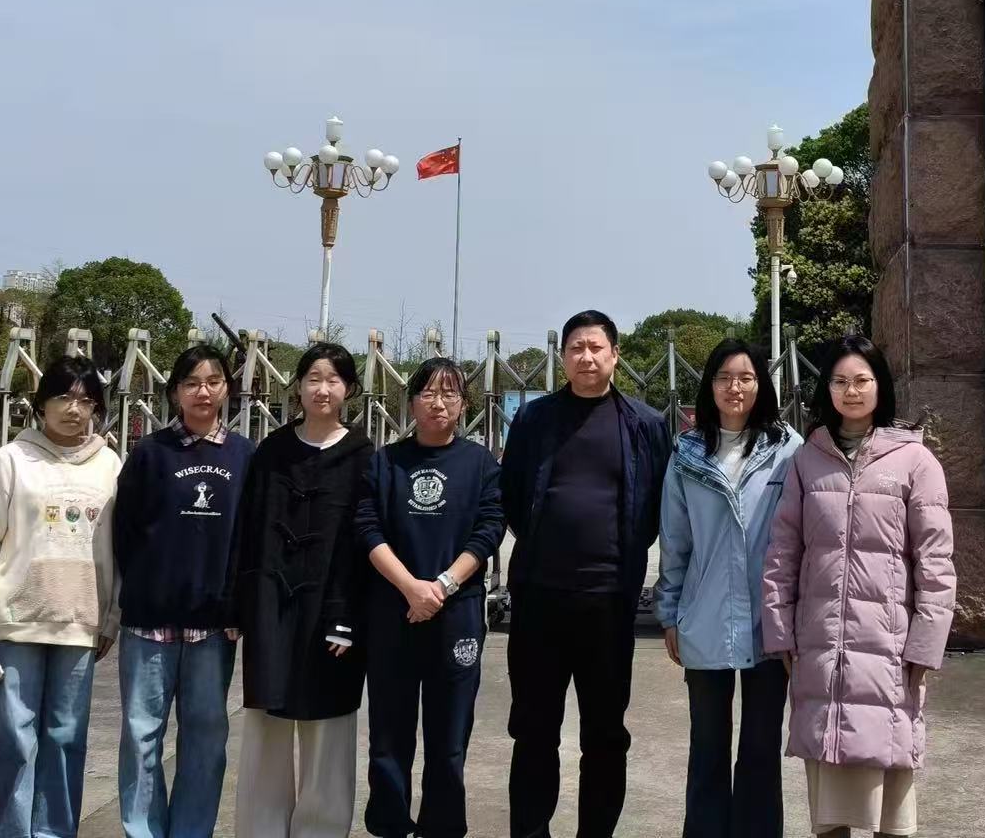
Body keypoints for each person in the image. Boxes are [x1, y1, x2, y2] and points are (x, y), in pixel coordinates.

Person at [760, 335, 956, 838]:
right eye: (841, 381)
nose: (852, 391)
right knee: (829, 809)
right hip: (821, 649)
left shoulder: (915, 461)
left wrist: (925, 645)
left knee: (891, 802)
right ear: (826, 389)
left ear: (880, 386)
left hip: (888, 652)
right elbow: (783, 553)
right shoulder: (807, 460)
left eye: (862, 380)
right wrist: (780, 632)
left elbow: (936, 562)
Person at [500, 309, 673, 838]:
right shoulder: (533, 420)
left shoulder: (645, 424)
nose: (586, 357)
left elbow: (657, 504)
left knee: (604, 734)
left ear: (616, 355)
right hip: (539, 600)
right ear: (563, 358)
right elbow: (512, 495)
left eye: (597, 347)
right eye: (576, 347)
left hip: (609, 602)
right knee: (534, 730)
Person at [0, 355, 122, 838]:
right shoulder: (11, 461)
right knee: (13, 737)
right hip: (17, 622)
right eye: (63, 398)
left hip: (80, 622)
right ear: (41, 404)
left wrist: (110, 617)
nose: (74, 409)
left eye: (86, 401)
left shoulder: (110, 465)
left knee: (66, 738)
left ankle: (54, 831)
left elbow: (118, 550)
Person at [655, 339, 802, 838]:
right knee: (707, 746)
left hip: (770, 622)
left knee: (761, 748)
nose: (734, 387)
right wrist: (669, 613)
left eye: (745, 377)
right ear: (709, 385)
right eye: (723, 377)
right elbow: (675, 540)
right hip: (705, 617)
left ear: (762, 384)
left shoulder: (787, 449)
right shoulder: (687, 453)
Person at [230, 341, 374, 838]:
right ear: (298, 387)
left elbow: (366, 545)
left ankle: (322, 829)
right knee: (266, 728)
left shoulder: (364, 457)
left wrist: (349, 616)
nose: (322, 389)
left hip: (334, 615)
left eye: (333, 379)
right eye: (313, 378)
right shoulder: (271, 452)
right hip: (271, 607)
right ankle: (261, 828)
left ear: (349, 389)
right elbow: (247, 532)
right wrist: (239, 606)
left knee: (328, 731)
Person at [356, 356, 505, 838]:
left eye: (449, 394)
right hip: (393, 612)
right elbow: (367, 527)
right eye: (428, 393)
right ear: (411, 402)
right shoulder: (385, 462)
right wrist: (410, 586)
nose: (438, 403)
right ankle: (389, 823)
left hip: (455, 614)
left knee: (449, 736)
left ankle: (442, 825)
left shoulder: (480, 464)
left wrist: (442, 586)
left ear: (464, 405)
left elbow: (489, 530)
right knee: (389, 733)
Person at [113, 343, 256, 838]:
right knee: (141, 736)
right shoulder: (150, 453)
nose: (203, 392)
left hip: (212, 627)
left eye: (213, 382)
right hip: (149, 623)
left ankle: (192, 831)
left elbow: (248, 538)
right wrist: (142, 588)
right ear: (175, 392)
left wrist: (237, 607)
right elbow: (124, 532)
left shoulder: (244, 456)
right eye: (192, 383)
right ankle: (143, 830)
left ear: (227, 389)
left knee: (206, 738)